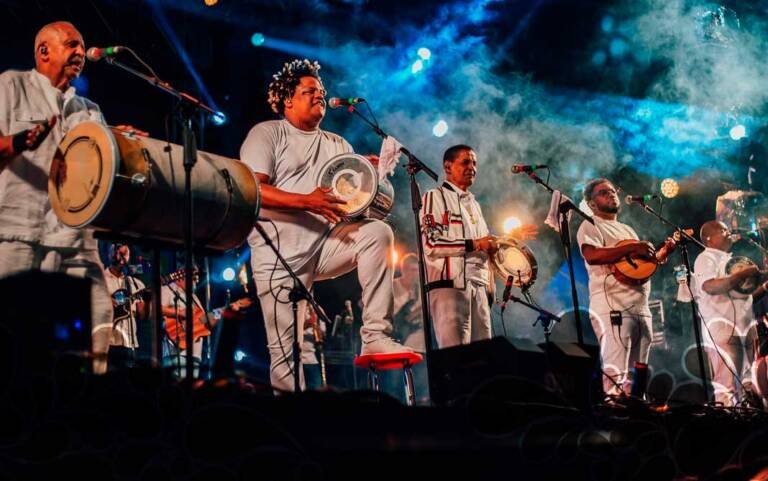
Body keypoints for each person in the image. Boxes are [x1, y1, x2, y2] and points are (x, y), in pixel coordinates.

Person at [239, 58, 410, 391]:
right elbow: (253, 188)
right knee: (287, 356)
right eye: (310, 91)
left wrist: (370, 177)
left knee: (377, 233)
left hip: (325, 244)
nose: (320, 96)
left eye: (321, 91)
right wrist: (307, 201)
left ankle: (375, 334)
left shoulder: (338, 145)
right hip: (278, 258)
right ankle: (292, 429)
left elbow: (351, 207)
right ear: (288, 100)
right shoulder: (267, 133)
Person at [0, 21, 113, 373]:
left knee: (101, 314)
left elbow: (103, 172)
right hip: (18, 228)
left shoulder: (89, 109)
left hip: (76, 235)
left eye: (82, 47)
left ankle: (89, 400)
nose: (80, 52)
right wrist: (20, 142)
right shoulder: (9, 86)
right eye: (71, 45)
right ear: (43, 51)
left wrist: (122, 144)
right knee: (11, 327)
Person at [420, 144, 537, 348]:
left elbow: (481, 243)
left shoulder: (475, 204)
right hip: (451, 286)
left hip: (481, 286)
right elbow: (431, 243)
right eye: (465, 162)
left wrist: (506, 239)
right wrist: (476, 243)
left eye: (474, 163)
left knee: (483, 358)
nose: (472, 167)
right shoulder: (434, 196)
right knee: (456, 356)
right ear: (448, 166)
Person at [576, 178, 655, 396]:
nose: (611, 195)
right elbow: (591, 255)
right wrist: (633, 247)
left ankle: (638, 415)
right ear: (591, 204)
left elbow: (637, 266)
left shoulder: (627, 229)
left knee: (638, 373)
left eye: (613, 191)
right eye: (604, 192)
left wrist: (661, 253)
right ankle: (614, 415)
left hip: (641, 307)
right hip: (613, 305)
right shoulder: (590, 224)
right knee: (617, 371)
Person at [693, 220, 765, 406]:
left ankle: (750, 425)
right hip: (723, 328)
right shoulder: (706, 258)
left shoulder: (729, 259)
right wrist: (742, 274)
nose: (729, 232)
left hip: (745, 327)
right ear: (709, 238)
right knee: (727, 384)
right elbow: (709, 286)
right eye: (723, 230)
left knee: (750, 382)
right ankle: (730, 428)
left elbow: (744, 297)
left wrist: (764, 287)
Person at [103, 243, 149, 370]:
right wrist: (107, 301)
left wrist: (148, 301)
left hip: (130, 343)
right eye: (119, 253)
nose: (122, 258)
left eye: (125, 254)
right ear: (110, 255)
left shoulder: (136, 283)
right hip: (108, 342)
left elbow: (143, 316)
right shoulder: (101, 279)